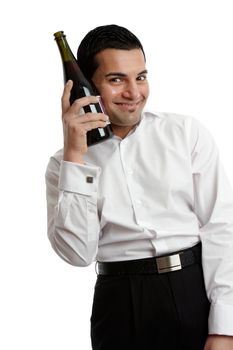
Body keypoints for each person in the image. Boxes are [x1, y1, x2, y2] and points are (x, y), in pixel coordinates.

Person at [45, 24, 233, 350]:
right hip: (117, 305)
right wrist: (76, 157)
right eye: (117, 80)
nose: (134, 92)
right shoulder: (63, 166)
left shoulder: (186, 133)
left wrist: (225, 328)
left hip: (193, 292)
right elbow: (77, 255)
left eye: (141, 77)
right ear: (86, 86)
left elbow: (221, 227)